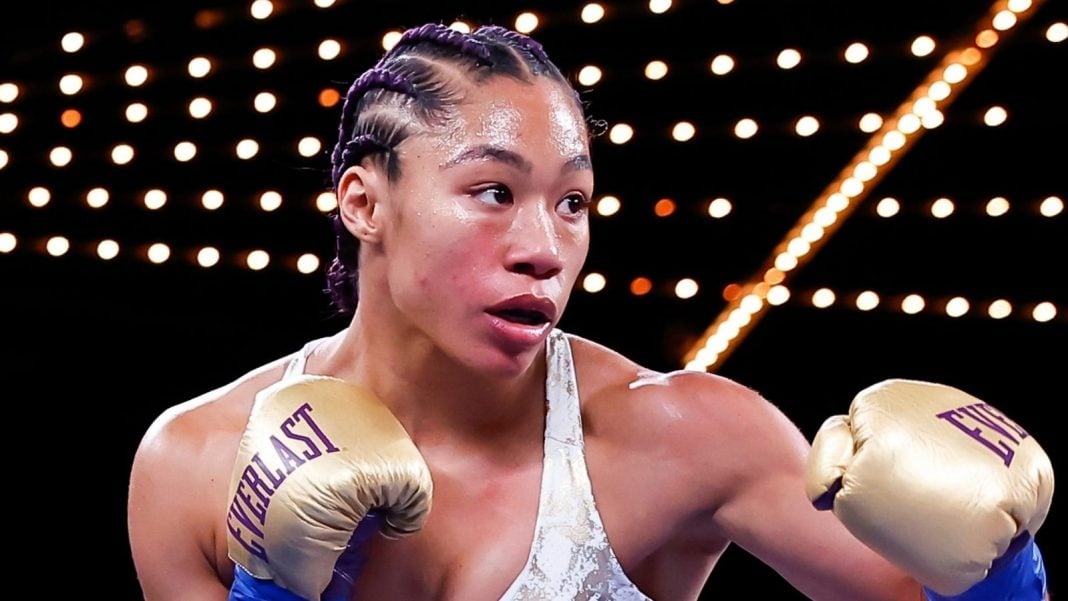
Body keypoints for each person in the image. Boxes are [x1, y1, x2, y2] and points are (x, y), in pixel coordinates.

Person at [127, 22, 1052, 601]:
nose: (545, 246)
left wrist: (1000, 576)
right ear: (364, 204)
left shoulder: (689, 432)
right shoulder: (191, 464)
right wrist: (270, 591)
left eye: (572, 202)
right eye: (492, 190)